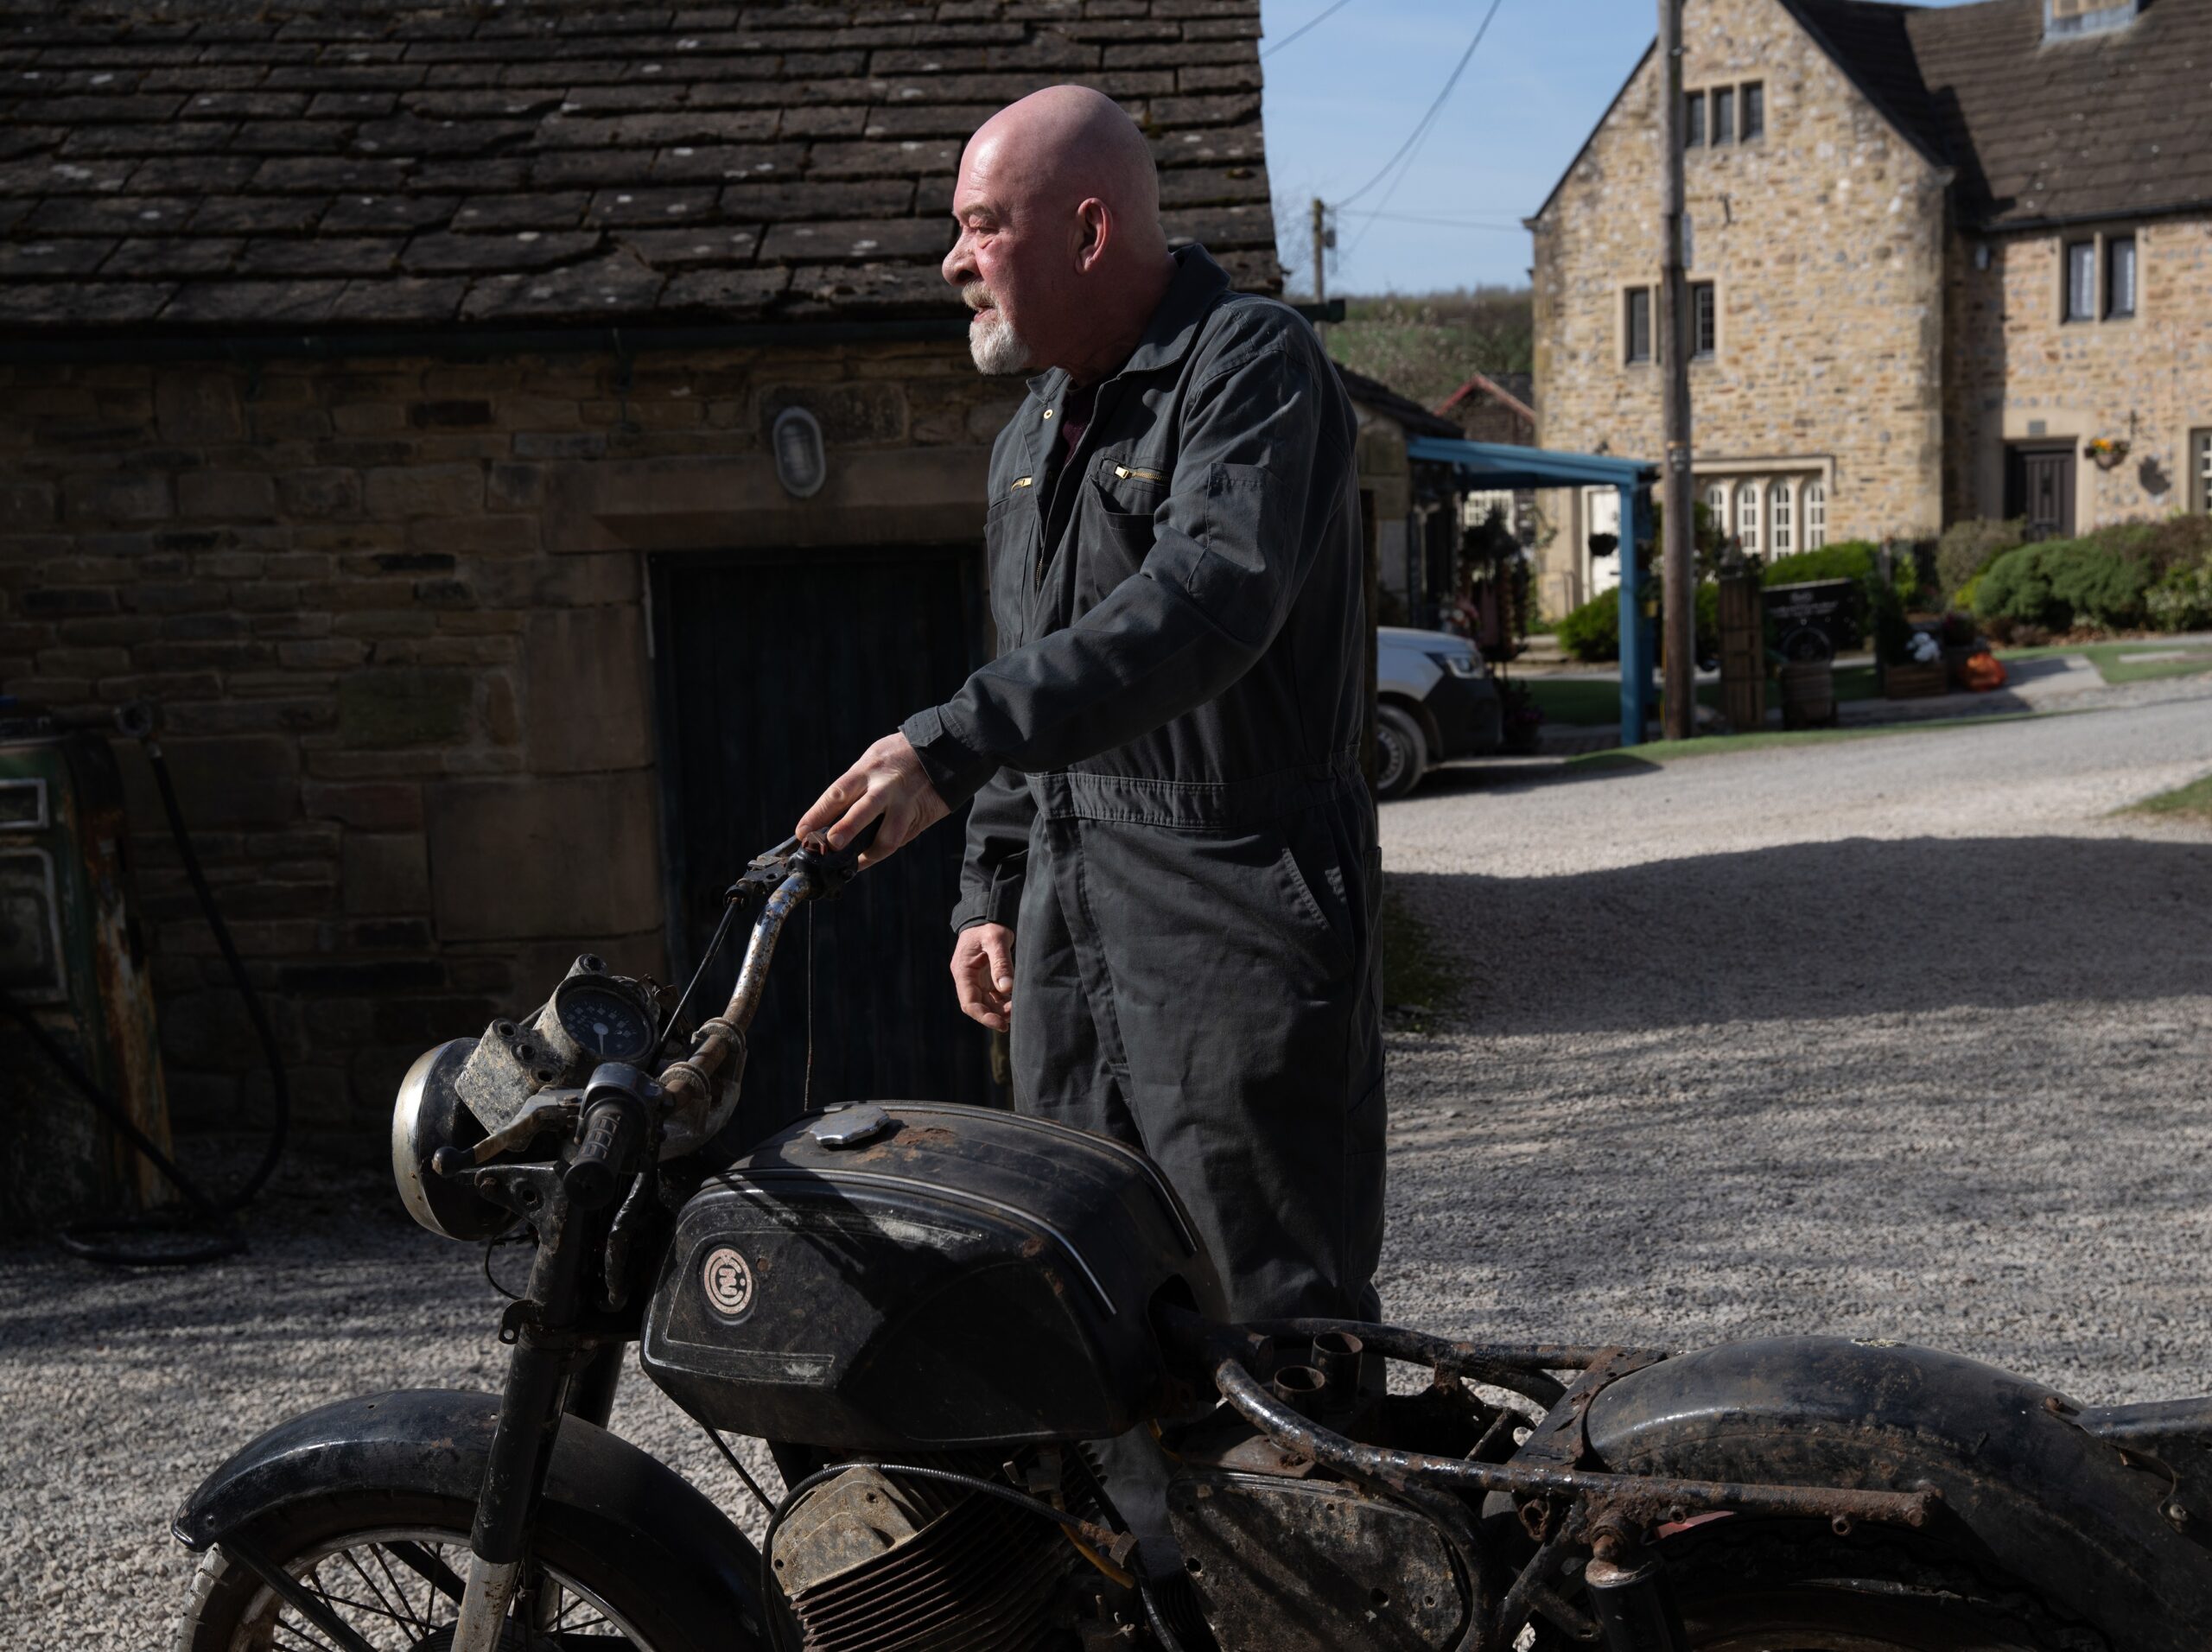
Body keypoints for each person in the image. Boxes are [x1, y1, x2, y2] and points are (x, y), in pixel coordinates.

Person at [794, 85, 1382, 1326]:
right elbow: (1045, 671)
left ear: (1090, 231)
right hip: (1067, 922)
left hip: (1232, 907)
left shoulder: (1253, 366)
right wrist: (992, 893)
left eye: (981, 225)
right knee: (1087, 1295)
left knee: (1268, 1308)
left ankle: (1314, 1522)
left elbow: (1206, 603)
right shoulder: (1028, 436)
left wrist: (946, 745)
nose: (953, 261)